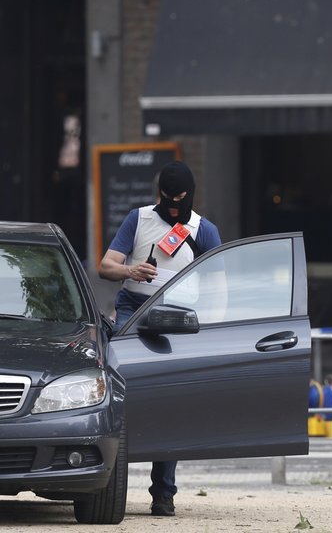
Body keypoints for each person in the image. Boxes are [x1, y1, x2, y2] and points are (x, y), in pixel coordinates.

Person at [97, 161, 221, 517]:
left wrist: (211, 330)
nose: (172, 206)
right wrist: (130, 270)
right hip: (132, 311)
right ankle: (104, 482)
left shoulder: (204, 230)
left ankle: (163, 493)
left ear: (190, 196)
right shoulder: (138, 219)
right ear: (158, 194)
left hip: (179, 319)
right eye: (167, 199)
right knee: (117, 395)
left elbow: (218, 288)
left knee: (171, 402)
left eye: (179, 200)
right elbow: (106, 266)